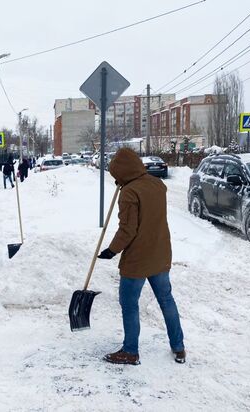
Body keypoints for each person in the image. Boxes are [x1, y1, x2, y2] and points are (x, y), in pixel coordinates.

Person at [98, 148, 185, 365]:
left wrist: (112, 250)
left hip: (138, 259)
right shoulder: (157, 185)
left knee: (129, 303)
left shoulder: (129, 193)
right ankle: (179, 347)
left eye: (116, 175)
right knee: (166, 300)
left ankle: (130, 351)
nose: (116, 179)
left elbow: (128, 230)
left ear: (123, 171)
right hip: (160, 252)